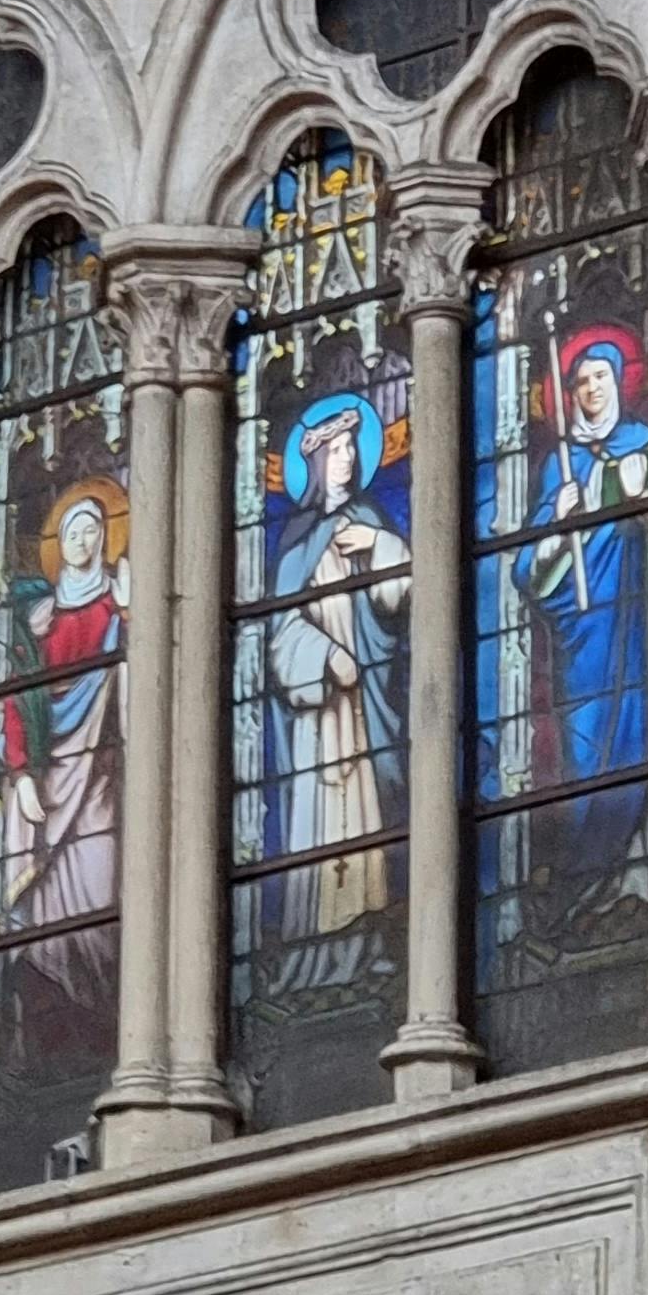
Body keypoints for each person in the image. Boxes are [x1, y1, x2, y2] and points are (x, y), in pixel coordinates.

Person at [264, 391, 409, 977]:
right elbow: (279, 633)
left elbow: (397, 601)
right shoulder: (296, 543)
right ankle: (316, 953)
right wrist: (325, 657)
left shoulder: (370, 523)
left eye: (352, 446)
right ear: (316, 463)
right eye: (335, 449)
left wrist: (380, 548)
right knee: (318, 820)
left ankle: (367, 941)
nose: (346, 458)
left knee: (367, 817)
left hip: (367, 701)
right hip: (318, 714)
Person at [518, 326, 648, 871]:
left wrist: (644, 500)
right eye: (581, 382)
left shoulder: (643, 447)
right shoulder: (561, 465)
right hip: (581, 628)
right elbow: (527, 570)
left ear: (620, 382)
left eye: (601, 377)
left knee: (636, 735)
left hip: (636, 615)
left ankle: (633, 872)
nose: (592, 389)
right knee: (585, 742)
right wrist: (558, 520)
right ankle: (585, 869)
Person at [0, 476, 127, 959]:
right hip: (45, 775)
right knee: (43, 921)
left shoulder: (121, 604)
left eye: (90, 530)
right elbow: (17, 696)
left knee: (99, 882)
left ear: (104, 539)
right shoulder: (38, 618)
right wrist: (22, 773)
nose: (80, 541)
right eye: (71, 532)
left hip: (101, 777)